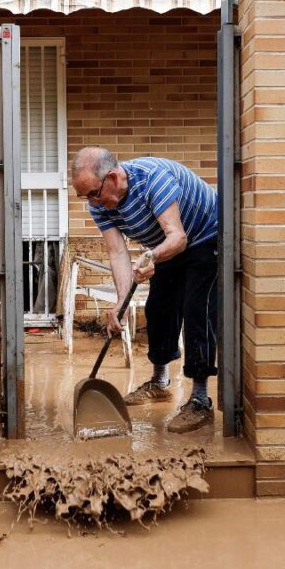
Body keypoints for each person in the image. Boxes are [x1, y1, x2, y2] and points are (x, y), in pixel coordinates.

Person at [70, 146, 218, 433]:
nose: (92, 203)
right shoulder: (100, 203)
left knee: (197, 308)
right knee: (159, 307)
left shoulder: (153, 180)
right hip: (168, 245)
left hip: (206, 235)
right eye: (85, 196)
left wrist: (152, 257)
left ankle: (200, 399)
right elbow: (117, 252)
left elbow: (178, 237)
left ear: (112, 178)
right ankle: (160, 382)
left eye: (93, 194)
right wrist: (120, 304)